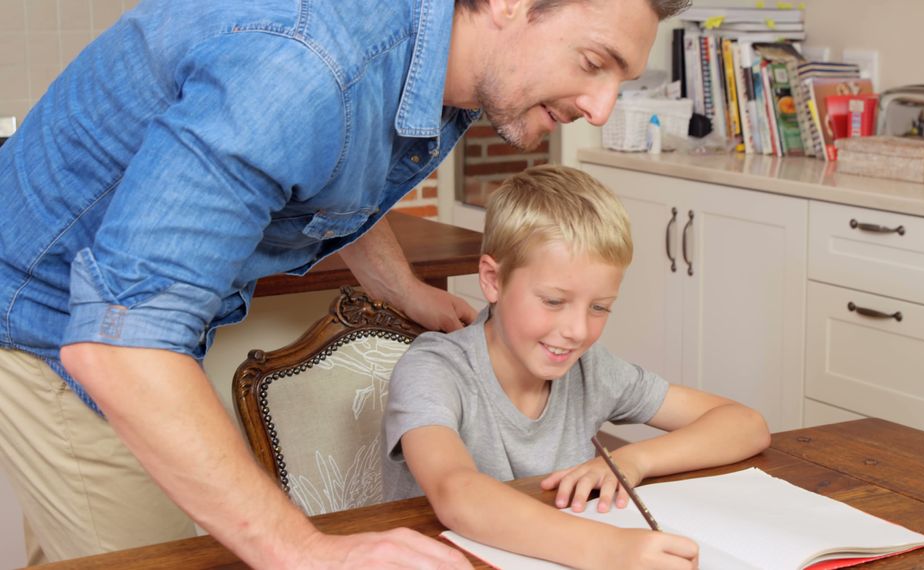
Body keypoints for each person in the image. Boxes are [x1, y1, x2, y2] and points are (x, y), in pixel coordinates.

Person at [0, 0, 690, 566]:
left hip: (115, 319)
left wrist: (401, 289)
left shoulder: (437, 68)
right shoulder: (300, 68)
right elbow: (120, 342)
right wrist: (304, 551)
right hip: (50, 319)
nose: (602, 107)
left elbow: (325, 170)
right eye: (595, 63)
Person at [382, 165, 772, 569]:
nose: (576, 331)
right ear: (493, 280)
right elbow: (456, 492)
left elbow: (745, 424)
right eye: (553, 301)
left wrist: (632, 461)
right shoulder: (434, 368)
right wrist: (610, 550)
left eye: (599, 307)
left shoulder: (590, 369)